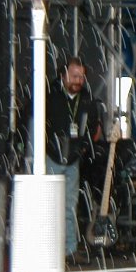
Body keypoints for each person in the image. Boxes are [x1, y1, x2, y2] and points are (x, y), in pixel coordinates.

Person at [44, 56, 102, 261]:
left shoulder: (86, 99)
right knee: (49, 204)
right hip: (51, 156)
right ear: (64, 75)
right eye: (74, 76)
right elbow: (34, 121)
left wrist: (84, 148)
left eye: (81, 77)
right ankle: (48, 249)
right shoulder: (51, 95)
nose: (78, 80)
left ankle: (69, 249)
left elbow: (95, 128)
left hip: (73, 159)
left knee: (70, 206)